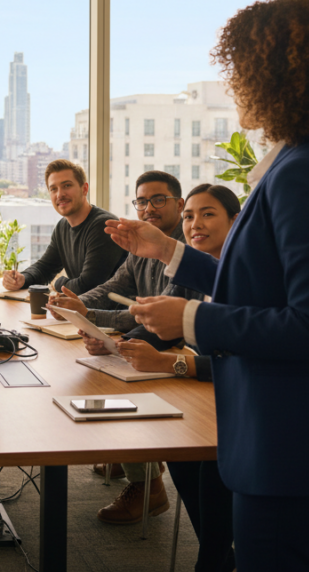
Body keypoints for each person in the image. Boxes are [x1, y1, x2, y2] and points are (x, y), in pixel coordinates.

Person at [107, 0, 309, 572]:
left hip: (293, 442)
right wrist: (167, 250)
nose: (234, 84)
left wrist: (190, 319)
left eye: (240, 70)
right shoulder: (305, 158)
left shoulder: (304, 173)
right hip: (301, 435)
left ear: (280, 75)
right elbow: (266, 286)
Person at [47, 170, 204, 524]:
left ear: (179, 204)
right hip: (150, 339)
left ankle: (148, 485)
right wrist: (76, 305)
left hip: (176, 351)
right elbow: (113, 286)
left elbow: (160, 318)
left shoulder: (187, 249)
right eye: (142, 201)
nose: (148, 208)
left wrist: (101, 323)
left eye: (158, 200)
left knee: (114, 378)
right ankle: (132, 458)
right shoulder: (143, 245)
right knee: (96, 371)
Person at [114, 183, 240, 572]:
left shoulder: (240, 277)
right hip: (210, 395)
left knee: (209, 463)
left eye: (208, 214)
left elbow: (239, 359)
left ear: (235, 222)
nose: (194, 224)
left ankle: (214, 559)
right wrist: (115, 344)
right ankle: (218, 554)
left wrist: (172, 365)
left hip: (237, 397)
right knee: (180, 450)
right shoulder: (193, 269)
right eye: (189, 216)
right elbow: (158, 325)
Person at [2, 159, 126, 294]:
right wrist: (23, 278)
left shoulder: (103, 226)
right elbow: (45, 268)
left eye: (67, 185)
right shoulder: (63, 227)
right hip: (83, 310)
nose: (60, 194)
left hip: (112, 312)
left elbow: (87, 286)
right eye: (53, 189)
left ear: (84, 189)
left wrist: (58, 282)